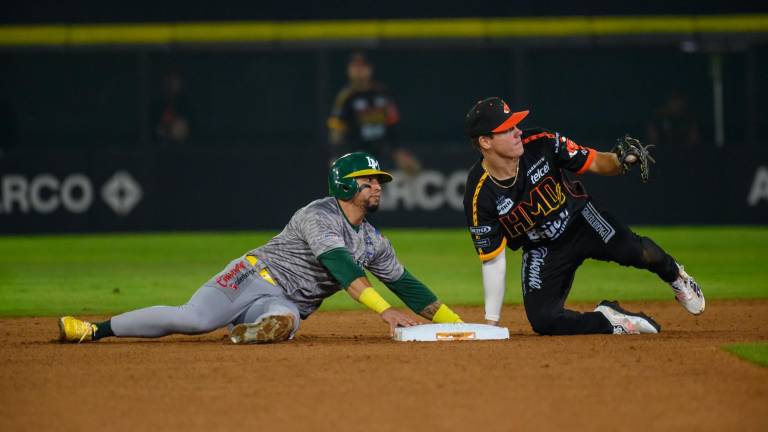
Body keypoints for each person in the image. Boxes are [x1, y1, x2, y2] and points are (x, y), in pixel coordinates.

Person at [59, 152, 463, 344]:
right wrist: (384, 311)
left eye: (379, 181)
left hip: (287, 301)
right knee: (195, 320)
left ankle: (243, 330)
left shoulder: (373, 239)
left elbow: (408, 286)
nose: (377, 186)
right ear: (344, 184)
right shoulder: (317, 215)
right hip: (252, 276)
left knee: (283, 325)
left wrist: (458, 324)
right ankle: (96, 329)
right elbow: (340, 266)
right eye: (368, 179)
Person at [461, 97, 705, 335]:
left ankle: (677, 277)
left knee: (638, 252)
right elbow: (493, 260)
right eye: (507, 129)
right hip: (542, 249)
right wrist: (491, 323)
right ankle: (610, 320)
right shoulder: (479, 194)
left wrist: (621, 162)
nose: (517, 132)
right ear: (485, 141)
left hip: (581, 220)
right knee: (544, 320)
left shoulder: (541, 142)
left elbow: (597, 161)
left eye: (515, 125)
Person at [327, 52, 420, 175]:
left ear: (370, 69)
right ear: (348, 70)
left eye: (362, 66)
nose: (358, 71)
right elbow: (337, 132)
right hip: (357, 157)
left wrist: (399, 153)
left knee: (384, 190)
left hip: (383, 154)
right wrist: (336, 157)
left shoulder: (382, 93)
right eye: (354, 67)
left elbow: (392, 126)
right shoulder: (346, 97)